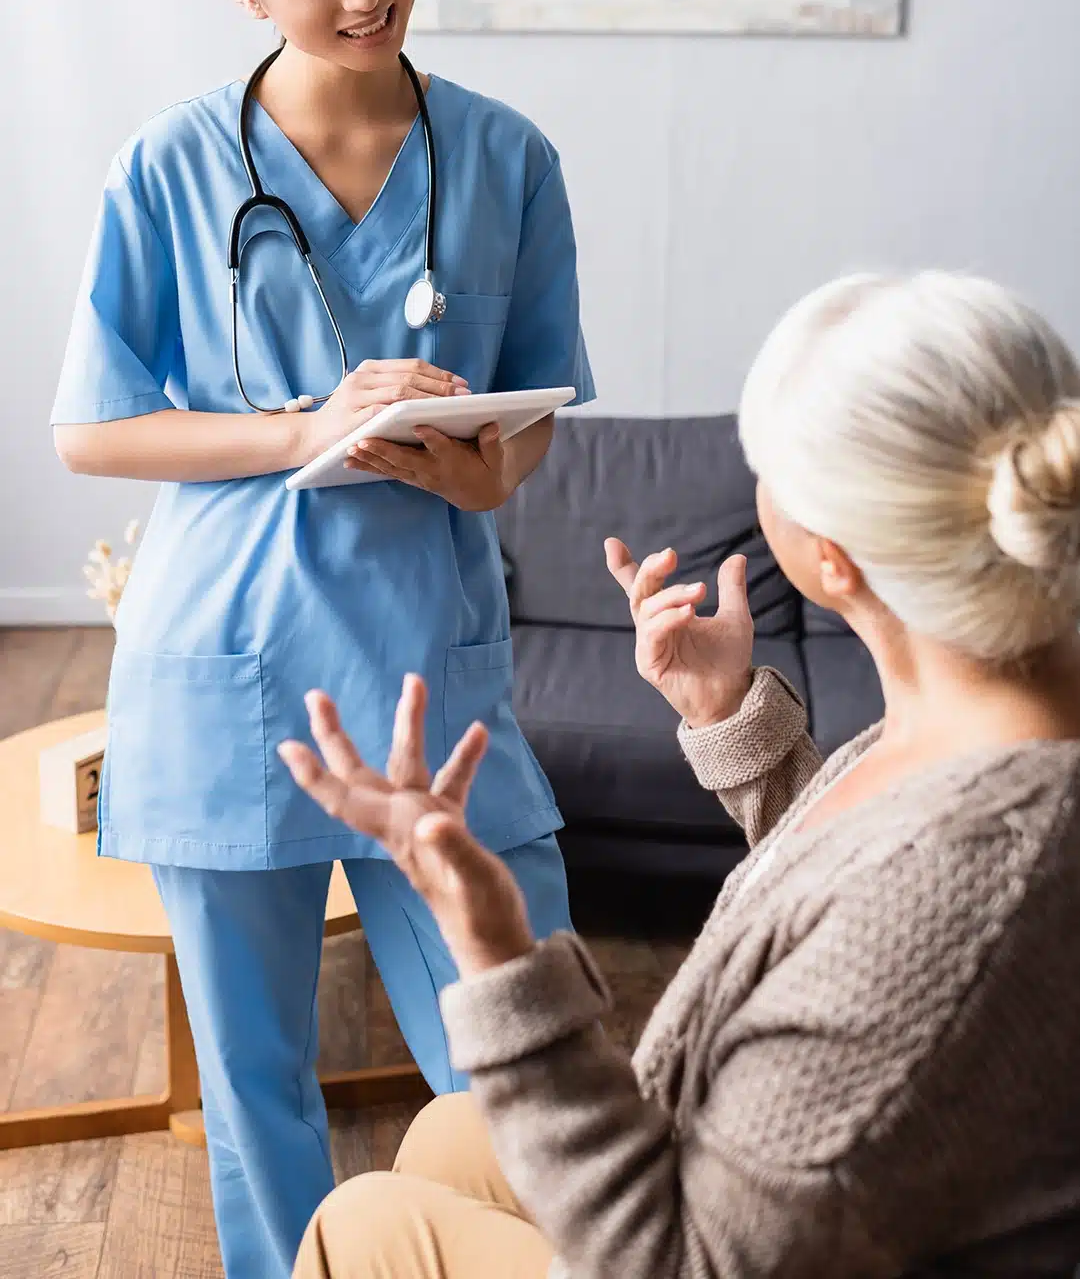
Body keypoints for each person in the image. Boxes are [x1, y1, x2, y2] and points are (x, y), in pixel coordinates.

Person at [282, 271, 1080, 1278]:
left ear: (830, 561)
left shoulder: (968, 893)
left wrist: (493, 947)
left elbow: (680, 1260)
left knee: (370, 1226)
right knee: (451, 1132)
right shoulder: (988, 718)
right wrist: (730, 715)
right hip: (858, 1189)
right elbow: (866, 879)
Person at [51, 0, 594, 1279]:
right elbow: (92, 433)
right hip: (229, 667)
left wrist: (494, 479)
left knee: (534, 1071)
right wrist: (302, 430)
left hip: (431, 665)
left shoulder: (505, 158)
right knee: (257, 1096)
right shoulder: (167, 169)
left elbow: (540, 403)